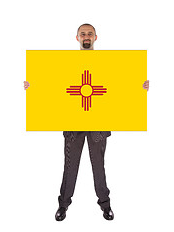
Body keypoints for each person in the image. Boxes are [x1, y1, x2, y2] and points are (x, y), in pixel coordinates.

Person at [24, 23, 149, 221]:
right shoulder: (66, 63)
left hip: (98, 123)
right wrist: (34, 86)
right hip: (73, 122)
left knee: (98, 165)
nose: (86, 36)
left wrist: (139, 86)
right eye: (83, 34)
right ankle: (63, 205)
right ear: (77, 38)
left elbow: (118, 87)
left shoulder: (107, 63)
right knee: (70, 165)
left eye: (89, 33)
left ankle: (105, 204)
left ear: (96, 37)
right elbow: (54, 87)